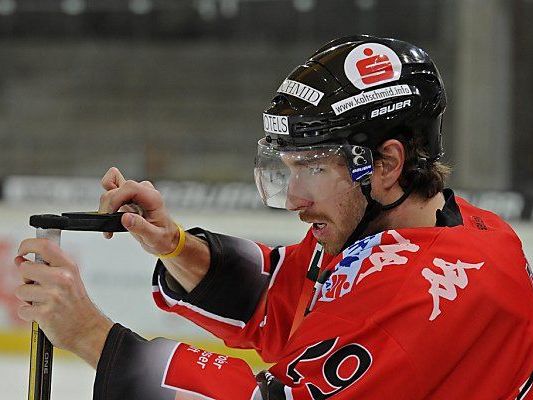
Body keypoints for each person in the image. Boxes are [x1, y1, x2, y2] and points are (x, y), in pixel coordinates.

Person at [14, 35, 533, 399]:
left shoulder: (414, 298)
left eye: (312, 168)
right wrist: (174, 246)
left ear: (387, 163)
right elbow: (295, 299)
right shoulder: (437, 227)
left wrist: (89, 334)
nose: (295, 198)